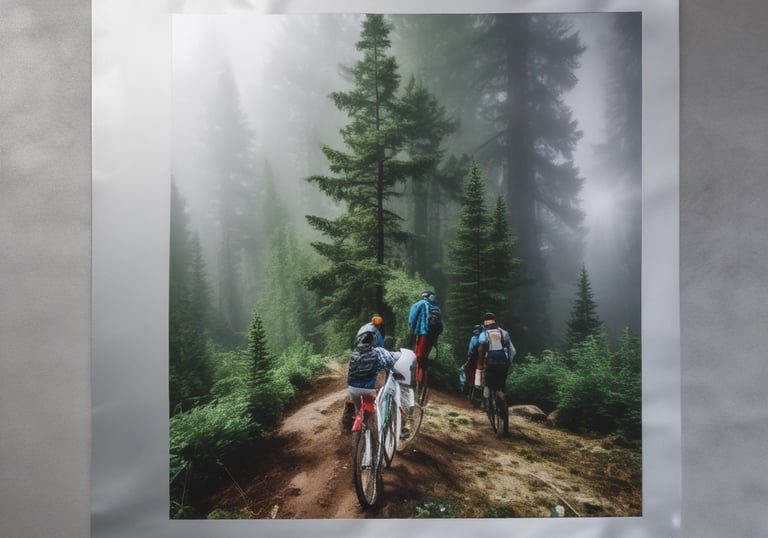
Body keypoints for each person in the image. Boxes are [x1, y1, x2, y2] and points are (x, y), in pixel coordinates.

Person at [346, 315, 396, 416]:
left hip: (358, 354)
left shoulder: (363, 328)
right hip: (369, 386)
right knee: (380, 372)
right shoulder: (376, 333)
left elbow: (356, 341)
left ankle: (356, 416)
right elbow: (381, 350)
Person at [476, 312, 516, 436]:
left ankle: (487, 399)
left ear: (485, 323)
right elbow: (513, 351)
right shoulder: (504, 333)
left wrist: (481, 363)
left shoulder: (484, 334)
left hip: (491, 365)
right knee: (500, 390)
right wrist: (508, 363)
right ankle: (505, 424)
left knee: (488, 382)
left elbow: (481, 349)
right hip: (503, 365)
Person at [408, 290, 443, 384]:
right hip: (432, 335)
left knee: (418, 354)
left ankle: (415, 378)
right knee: (425, 355)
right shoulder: (437, 307)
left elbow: (412, 316)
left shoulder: (421, 303)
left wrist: (411, 327)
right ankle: (422, 377)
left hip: (422, 332)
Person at [463, 324, 484, 404]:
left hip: (472, 360)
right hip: (480, 361)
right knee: (478, 377)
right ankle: (477, 396)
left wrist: (468, 357)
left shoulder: (473, 338)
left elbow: (470, 349)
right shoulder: (483, 339)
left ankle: (468, 391)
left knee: (467, 372)